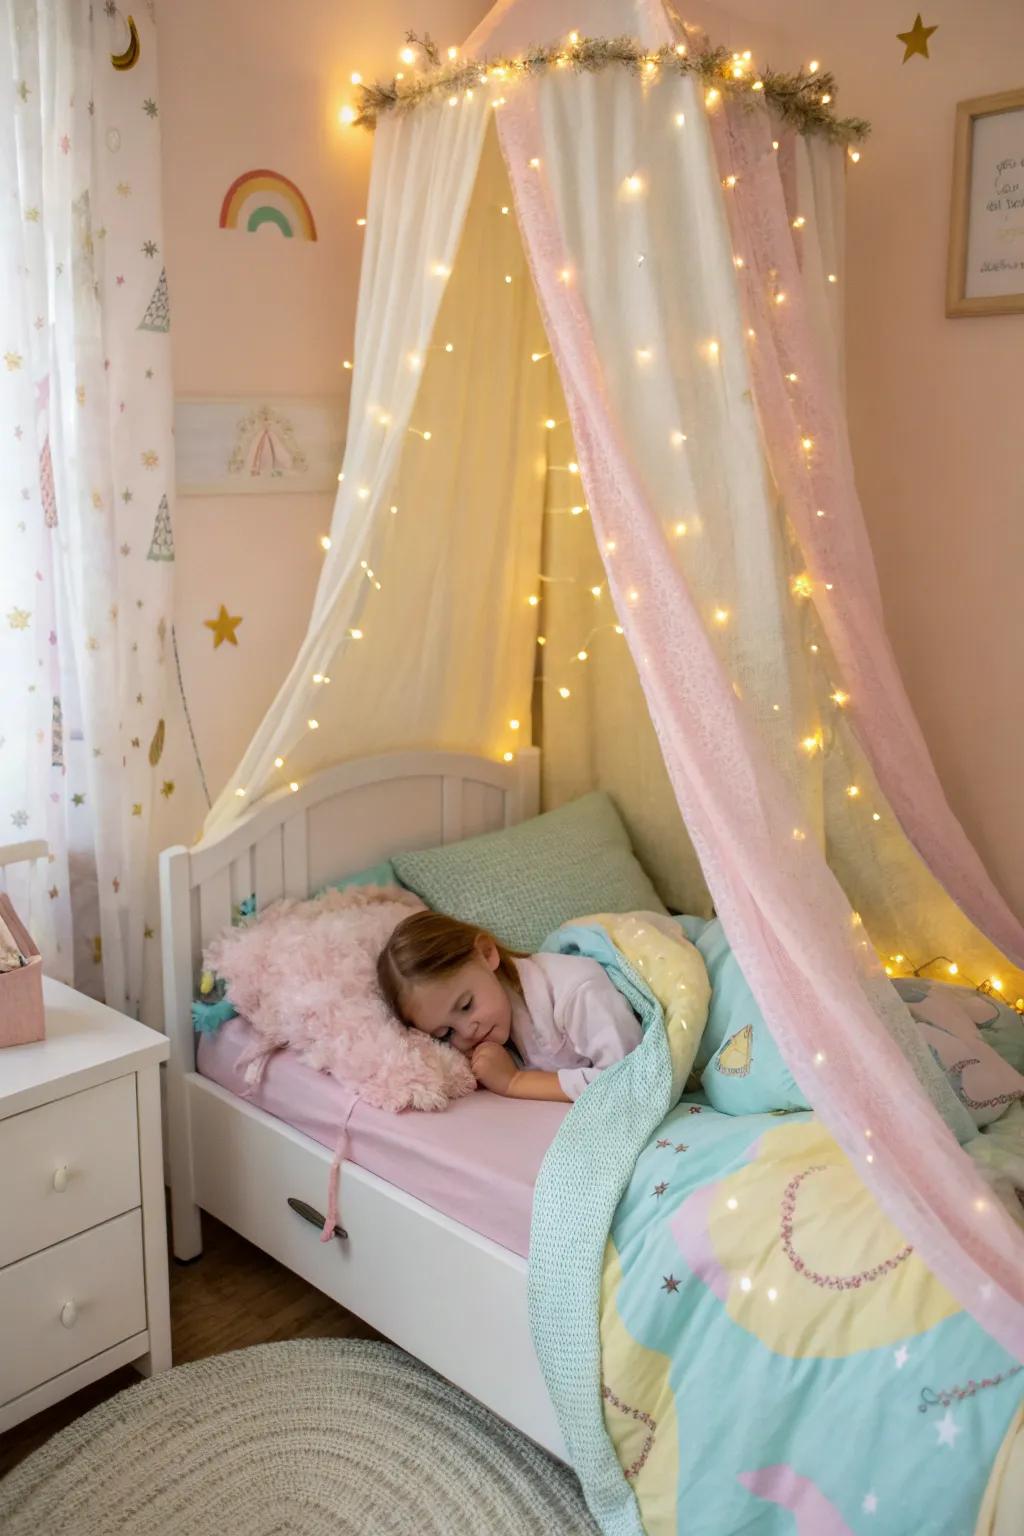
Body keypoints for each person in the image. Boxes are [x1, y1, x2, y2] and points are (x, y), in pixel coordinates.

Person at [377, 910, 642, 1102]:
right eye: (445, 1034)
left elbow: (630, 1082)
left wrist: (515, 1082)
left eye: (467, 1006)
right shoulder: (495, 1026)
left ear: (486, 954)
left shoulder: (576, 992)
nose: (467, 1033)